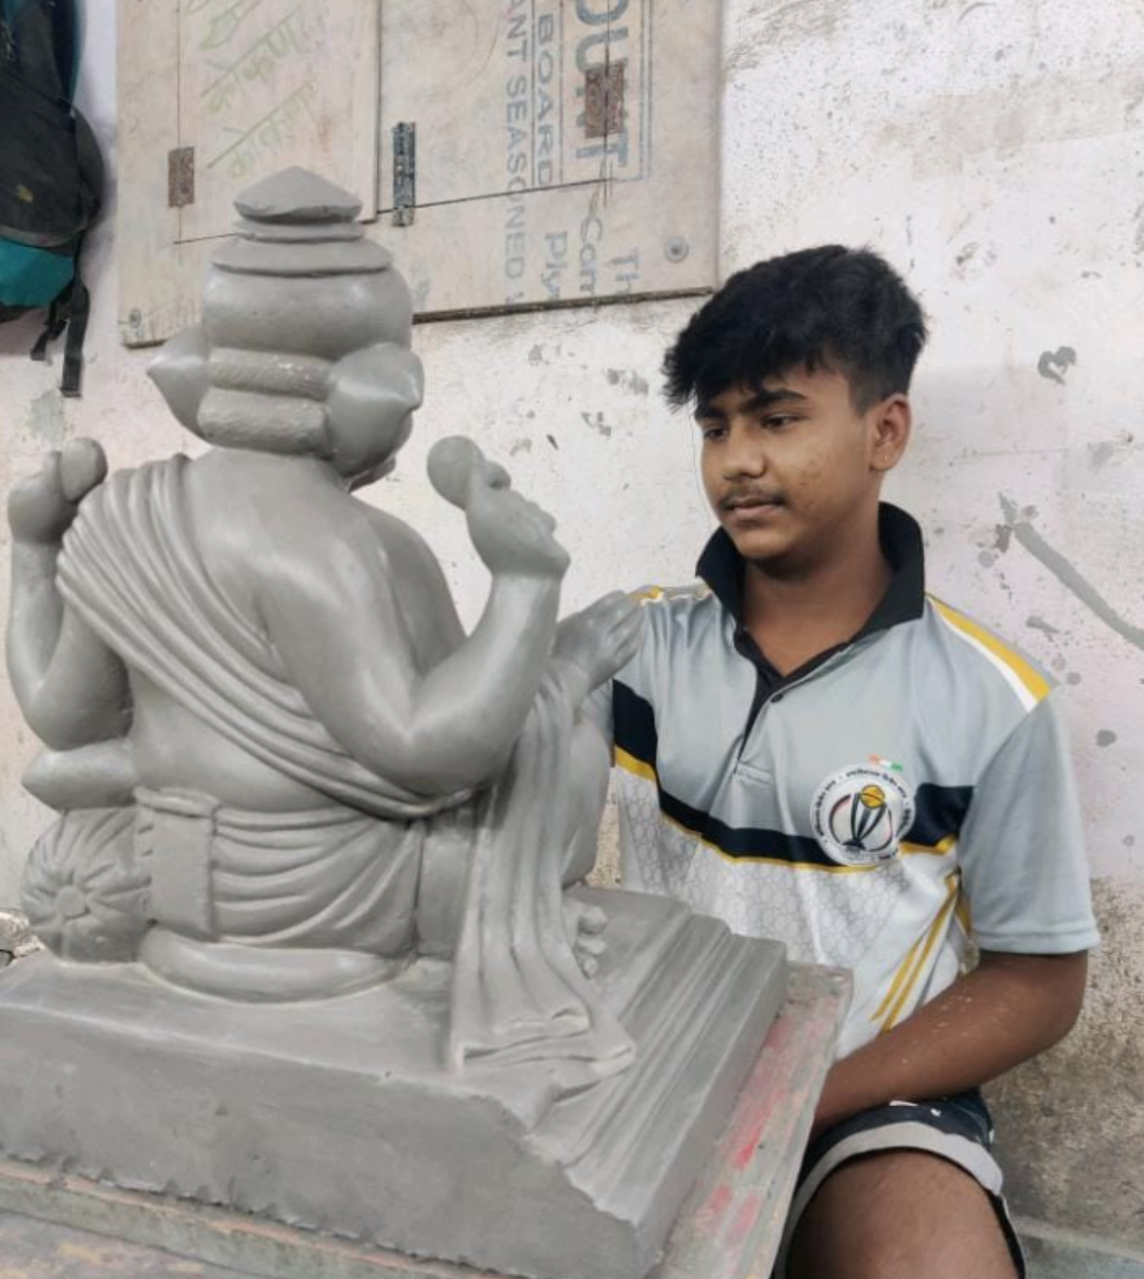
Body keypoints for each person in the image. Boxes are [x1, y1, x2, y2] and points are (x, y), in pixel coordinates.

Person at [588, 245, 1098, 1278]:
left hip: (866, 1103)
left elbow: (1040, 980)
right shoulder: (631, 647)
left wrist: (801, 1100)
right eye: (715, 427)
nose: (738, 461)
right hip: (643, 1072)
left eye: (776, 419)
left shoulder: (991, 700)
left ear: (885, 431)